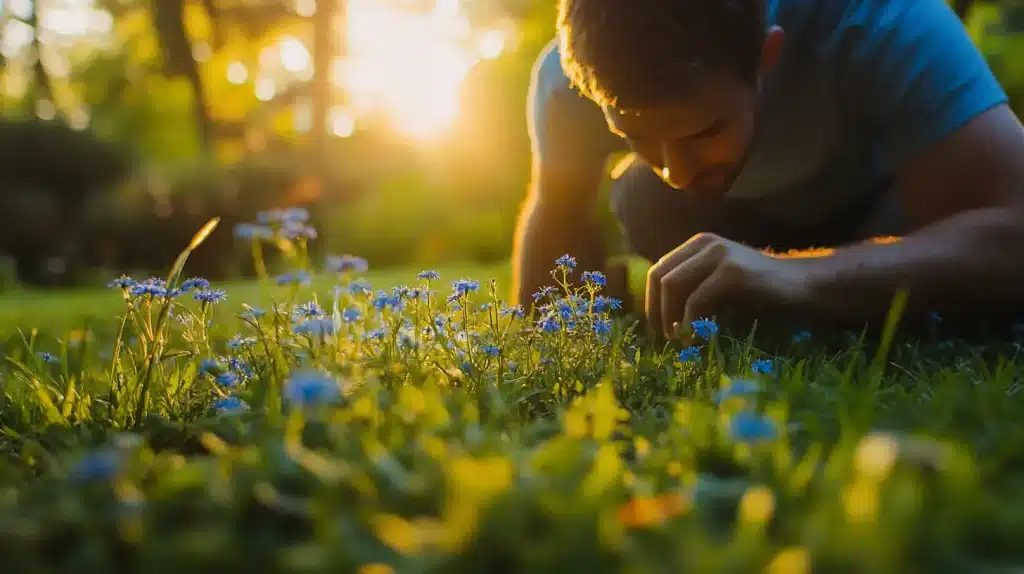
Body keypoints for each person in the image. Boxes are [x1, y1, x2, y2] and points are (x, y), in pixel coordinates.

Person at [511, 0, 1024, 338]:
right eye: (635, 138)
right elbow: (556, 219)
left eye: (704, 132)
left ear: (766, 55)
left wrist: (794, 278)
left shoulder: (880, 17)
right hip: (730, 219)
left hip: (880, 210)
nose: (677, 171)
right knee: (645, 196)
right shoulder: (568, 80)